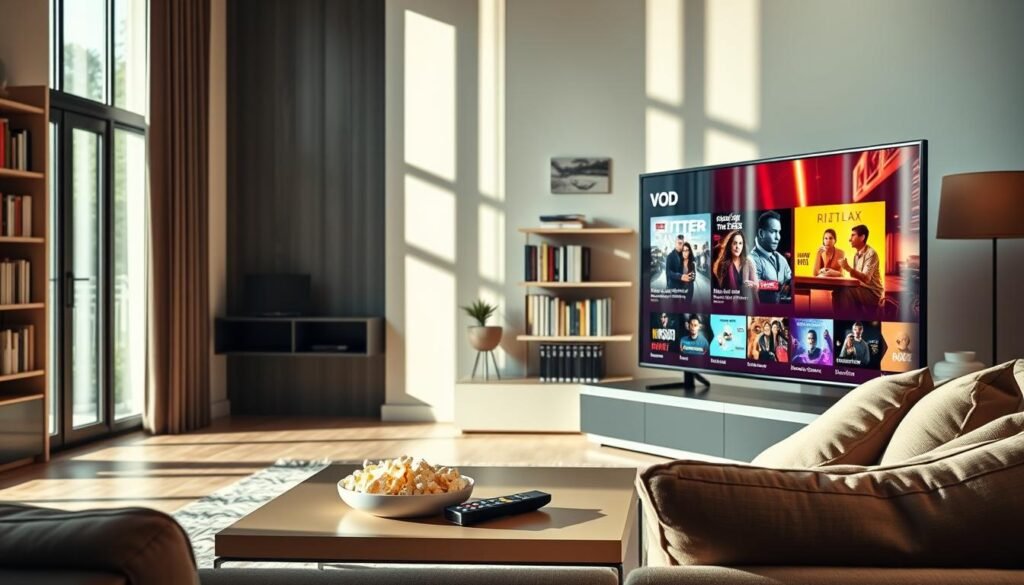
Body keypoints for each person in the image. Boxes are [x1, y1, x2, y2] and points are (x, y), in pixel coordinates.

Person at [836, 224, 884, 312]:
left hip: (872, 293)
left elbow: (866, 279)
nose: (849, 239)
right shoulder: (856, 255)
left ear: (862, 237)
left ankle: (849, 318)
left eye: (853, 235)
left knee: (845, 291)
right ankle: (839, 318)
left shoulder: (871, 254)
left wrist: (848, 268)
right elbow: (856, 279)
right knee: (837, 291)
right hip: (861, 289)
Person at [750, 211, 792, 303]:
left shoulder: (781, 259)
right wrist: (777, 286)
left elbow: (789, 278)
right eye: (773, 232)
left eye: (779, 232)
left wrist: (791, 283)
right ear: (761, 233)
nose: (778, 237)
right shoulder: (751, 259)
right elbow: (755, 284)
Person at [712, 230, 757, 295]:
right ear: (730, 245)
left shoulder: (748, 263)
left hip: (746, 302)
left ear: (743, 245)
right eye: (735, 243)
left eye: (740, 243)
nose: (737, 247)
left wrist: (754, 285)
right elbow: (719, 289)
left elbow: (756, 287)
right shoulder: (722, 265)